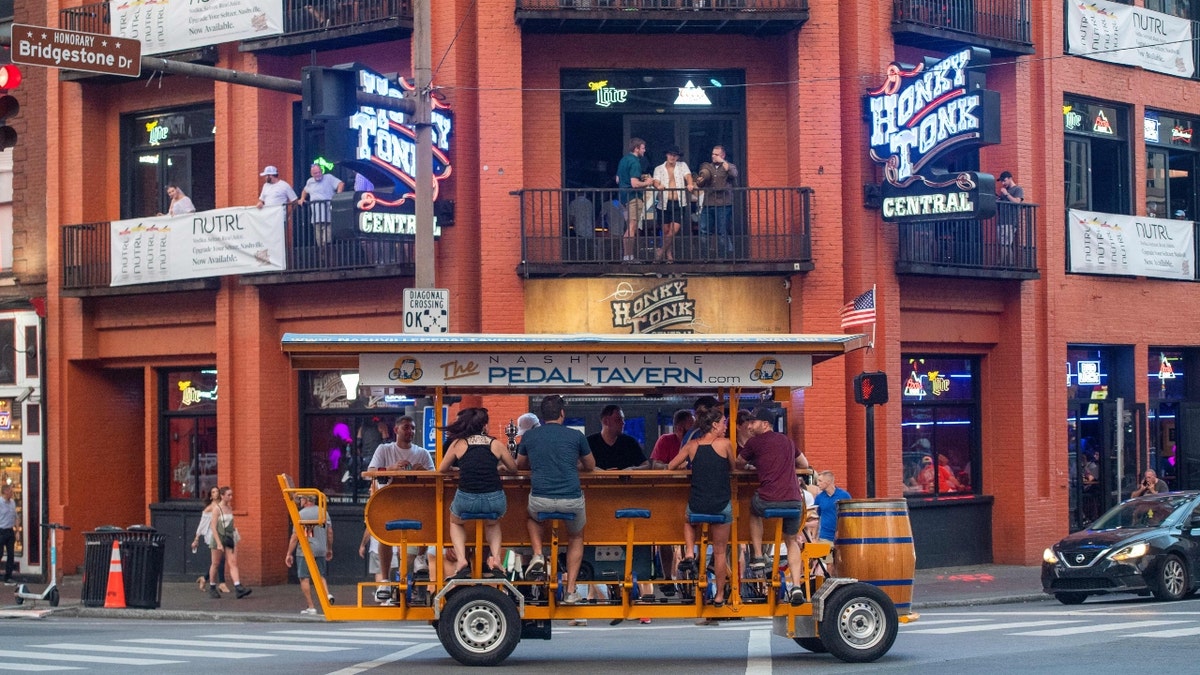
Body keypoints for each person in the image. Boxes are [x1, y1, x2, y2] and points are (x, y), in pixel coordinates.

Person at [517, 394, 596, 605]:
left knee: (532, 518)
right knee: (576, 537)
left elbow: (520, 464)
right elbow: (590, 465)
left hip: (540, 499)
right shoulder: (575, 436)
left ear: (542, 416)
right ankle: (570, 591)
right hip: (571, 499)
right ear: (562, 413)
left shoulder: (529, 437)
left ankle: (537, 555)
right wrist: (573, 465)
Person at [736, 406, 809, 605]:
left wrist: (755, 465)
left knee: (753, 508)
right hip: (794, 501)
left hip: (769, 499)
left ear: (765, 424)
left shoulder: (754, 443)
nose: (750, 426)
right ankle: (795, 587)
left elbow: (738, 464)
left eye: (754, 422)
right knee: (791, 541)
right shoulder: (787, 441)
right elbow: (804, 463)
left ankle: (758, 555)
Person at [437, 408, 518, 579]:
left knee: (456, 522)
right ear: (484, 426)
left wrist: (456, 468)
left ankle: (461, 560)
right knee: (493, 523)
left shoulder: (459, 443)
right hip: (494, 499)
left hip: (467, 498)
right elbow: (513, 467)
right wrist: (499, 467)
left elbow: (442, 469)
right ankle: (495, 559)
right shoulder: (495, 443)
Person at [668, 407, 735, 607]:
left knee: (688, 519)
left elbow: (671, 466)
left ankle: (690, 552)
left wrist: (685, 465)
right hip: (721, 505)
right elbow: (733, 467)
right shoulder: (725, 444)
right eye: (723, 422)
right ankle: (720, 596)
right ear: (714, 425)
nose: (725, 426)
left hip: (697, 504)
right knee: (720, 551)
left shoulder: (692, 445)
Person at [366, 416, 434, 599]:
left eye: (412, 428)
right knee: (384, 536)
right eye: (406, 428)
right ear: (396, 430)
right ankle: (385, 581)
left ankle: (421, 558)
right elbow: (369, 472)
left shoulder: (422, 453)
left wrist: (424, 473)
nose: (410, 431)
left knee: (427, 520)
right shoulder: (385, 449)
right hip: (390, 501)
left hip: (414, 501)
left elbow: (435, 477)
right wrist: (391, 468)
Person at [285, 493, 334, 615]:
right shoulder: (323, 512)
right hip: (321, 548)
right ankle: (327, 595)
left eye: (301, 499)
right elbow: (330, 532)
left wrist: (289, 553)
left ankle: (311, 606)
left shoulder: (301, 514)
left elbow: (295, 536)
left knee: (304, 578)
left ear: (306, 500)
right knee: (321, 575)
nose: (300, 501)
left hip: (306, 550)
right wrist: (329, 548)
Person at [650, 146, 694, 262]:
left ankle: (660, 251)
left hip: (679, 203)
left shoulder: (682, 165)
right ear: (667, 155)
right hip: (664, 203)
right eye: (670, 154)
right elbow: (656, 181)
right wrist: (658, 186)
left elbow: (688, 176)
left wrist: (690, 184)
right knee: (665, 231)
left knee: (673, 230)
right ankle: (669, 254)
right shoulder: (659, 168)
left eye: (675, 155)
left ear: (678, 157)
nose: (672, 157)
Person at [206, 486, 252, 599]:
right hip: (218, 537)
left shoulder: (229, 508)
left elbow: (231, 524)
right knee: (215, 563)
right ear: (222, 496)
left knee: (233, 562)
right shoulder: (217, 509)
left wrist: (234, 535)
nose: (231, 497)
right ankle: (212, 587)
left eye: (231, 495)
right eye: (228, 495)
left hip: (229, 537)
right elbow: (213, 526)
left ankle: (238, 587)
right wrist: (218, 543)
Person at [694, 145, 739, 258]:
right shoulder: (707, 166)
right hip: (708, 203)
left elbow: (734, 174)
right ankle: (704, 256)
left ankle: (722, 257)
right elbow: (701, 183)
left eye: (716, 154)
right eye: (713, 154)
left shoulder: (729, 166)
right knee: (704, 230)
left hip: (724, 204)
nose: (713, 156)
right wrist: (700, 180)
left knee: (721, 231)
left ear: (723, 155)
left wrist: (723, 162)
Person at [616, 138, 654, 262]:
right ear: (636, 148)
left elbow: (618, 179)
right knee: (632, 227)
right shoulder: (635, 162)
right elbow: (634, 183)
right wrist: (647, 182)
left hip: (623, 198)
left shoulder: (623, 160)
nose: (644, 150)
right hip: (633, 197)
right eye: (643, 148)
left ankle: (627, 256)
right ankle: (628, 257)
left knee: (629, 227)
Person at [297, 163, 345, 249]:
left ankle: (329, 258)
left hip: (328, 215)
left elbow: (340, 184)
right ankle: (323, 258)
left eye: (319, 172)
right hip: (316, 217)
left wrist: (338, 196)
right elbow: (305, 190)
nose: (318, 174)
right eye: (315, 173)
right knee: (319, 242)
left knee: (327, 241)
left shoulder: (328, 177)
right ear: (312, 174)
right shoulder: (310, 181)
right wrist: (302, 198)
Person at [192, 486, 231, 593]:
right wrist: (196, 539)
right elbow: (202, 525)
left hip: (222, 534)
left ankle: (204, 578)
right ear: (210, 496)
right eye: (213, 492)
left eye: (217, 491)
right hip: (212, 535)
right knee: (220, 560)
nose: (216, 493)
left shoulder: (223, 505)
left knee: (217, 561)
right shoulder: (209, 508)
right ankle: (222, 583)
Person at [587, 404, 647, 470]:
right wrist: (596, 470)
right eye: (618, 419)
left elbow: (646, 465)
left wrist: (631, 470)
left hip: (625, 480)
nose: (623, 423)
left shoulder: (630, 442)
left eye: (623, 419)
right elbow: (577, 465)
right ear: (606, 421)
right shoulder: (589, 442)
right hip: (597, 480)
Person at [0, 485, 15, 585]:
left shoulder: (13, 502)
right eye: (10, 491)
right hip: (1, 531)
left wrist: (17, 530)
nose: (12, 493)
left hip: (10, 531)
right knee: (0, 554)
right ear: (5, 492)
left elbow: (16, 516)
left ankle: (8, 576)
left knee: (11, 554)